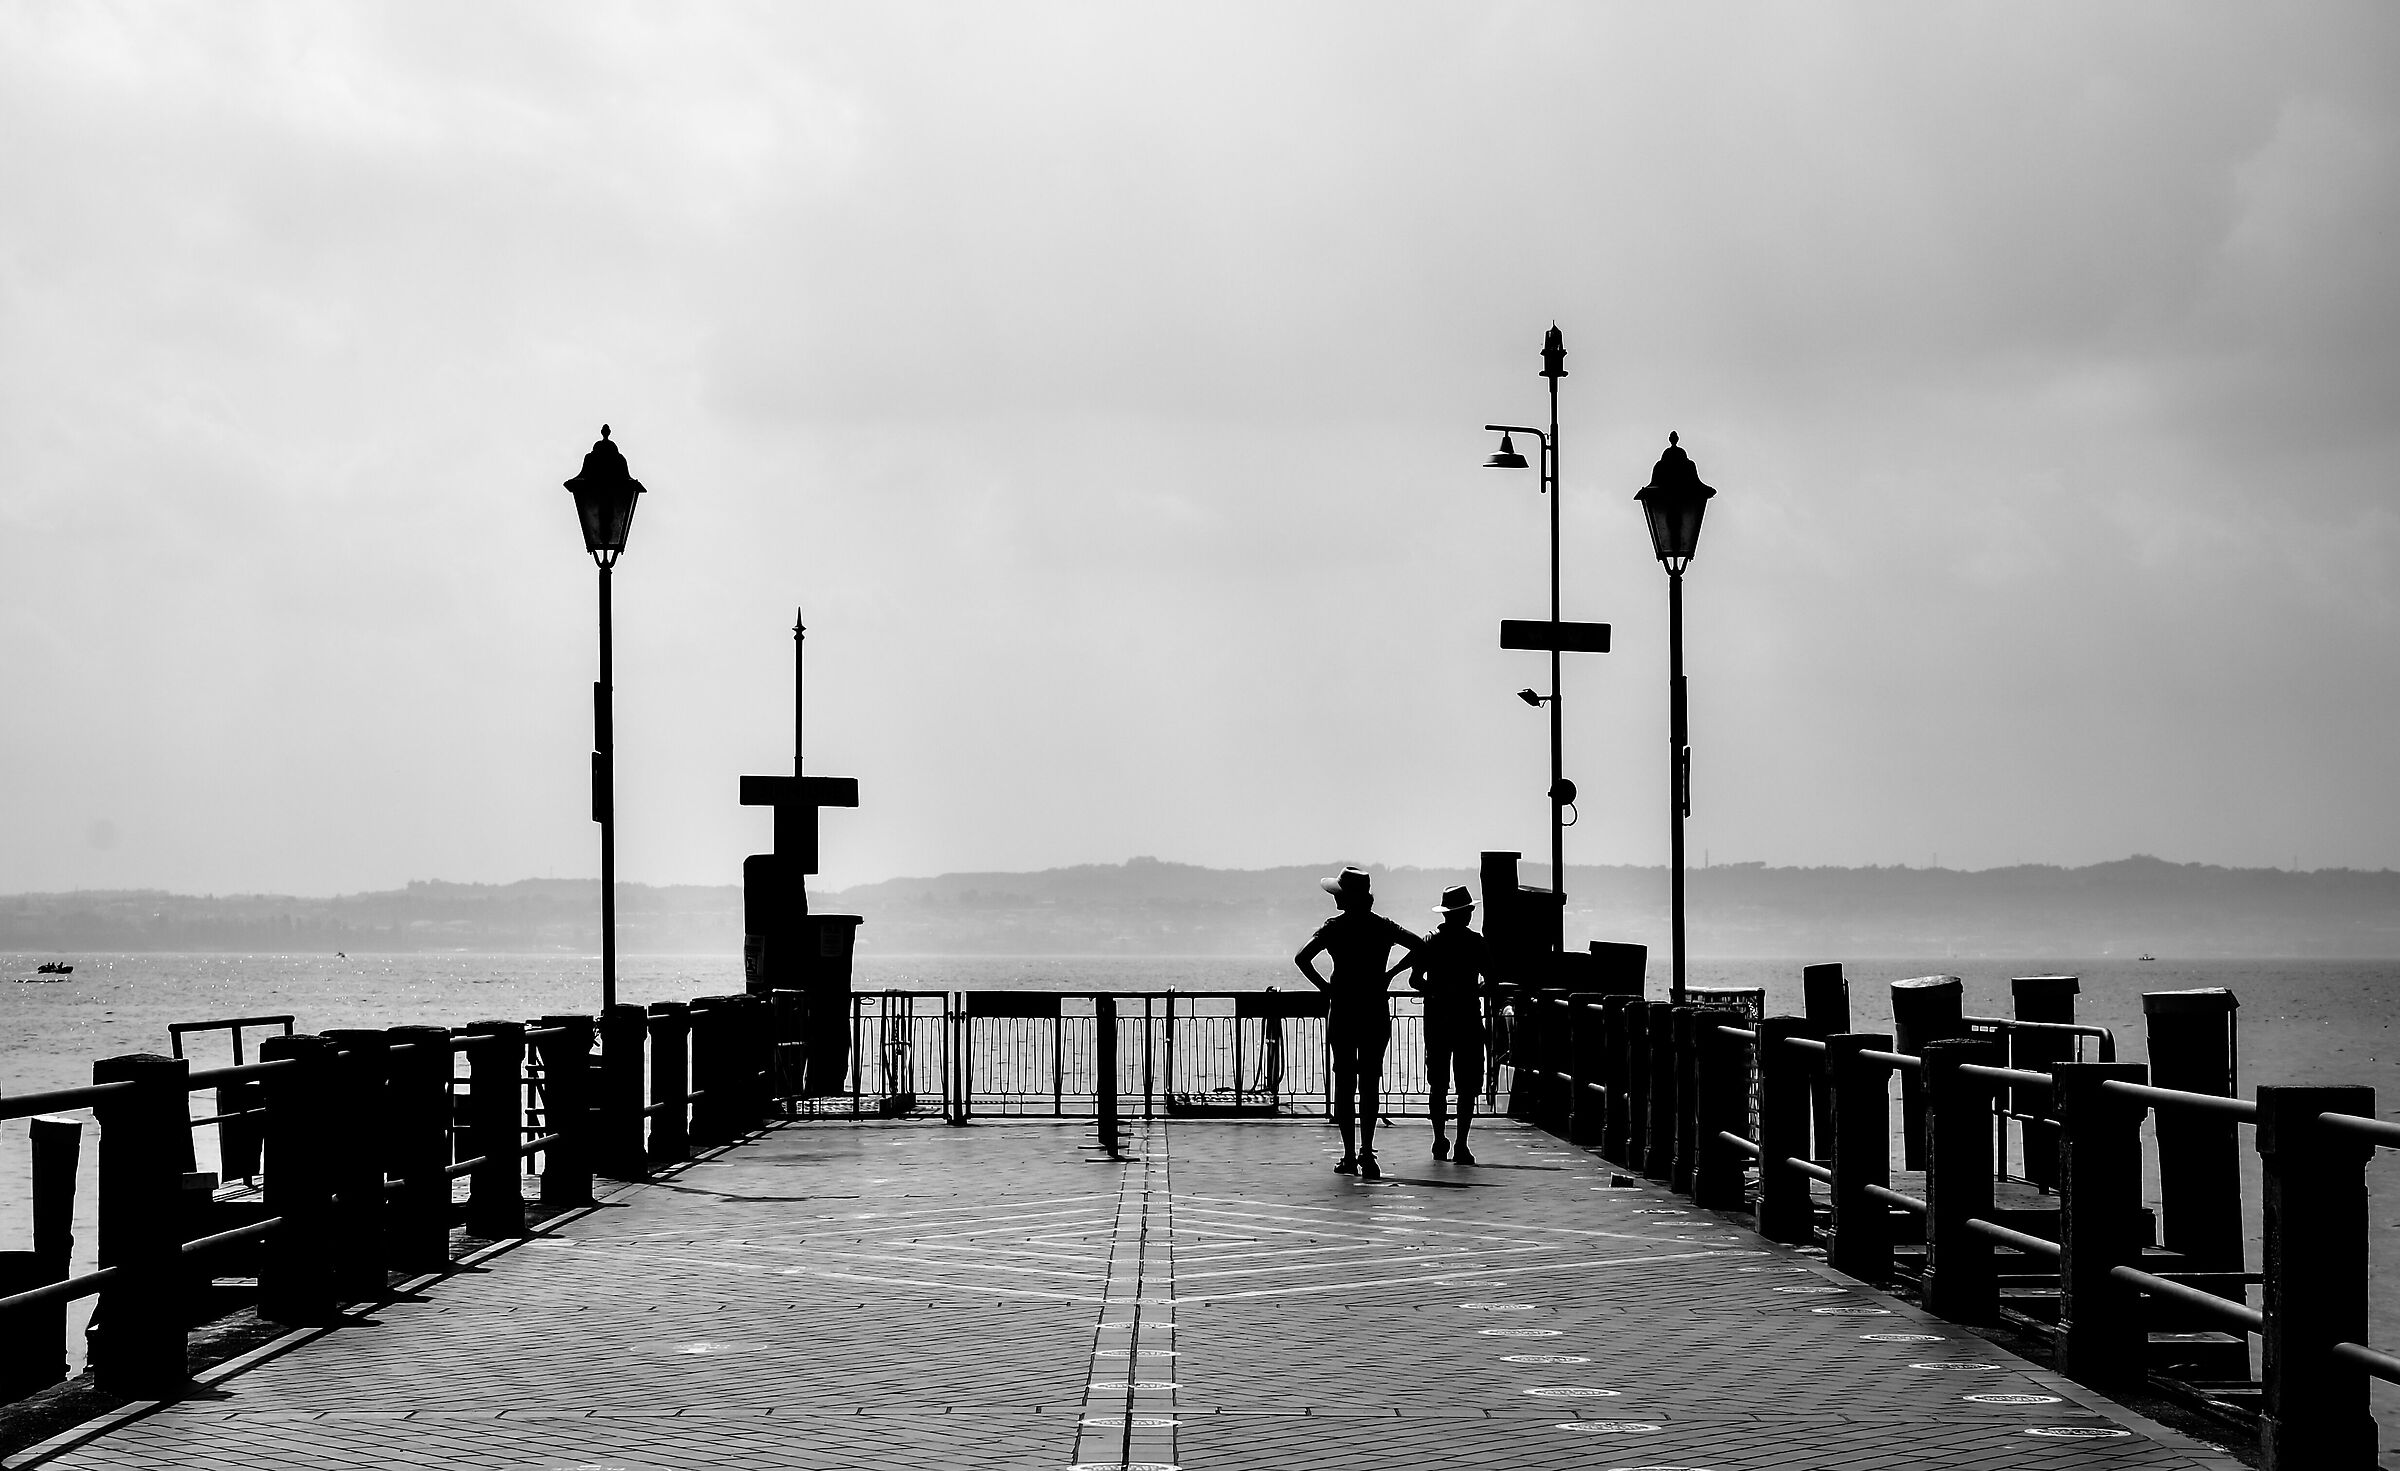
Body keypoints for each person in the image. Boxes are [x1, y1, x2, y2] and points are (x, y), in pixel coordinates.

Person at [1294, 866, 1422, 1179]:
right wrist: (1391, 974)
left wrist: (1327, 988)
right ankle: (1368, 1152)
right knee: (1370, 1083)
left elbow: (1302, 958)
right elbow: (1420, 945)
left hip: (1344, 1010)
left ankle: (1349, 1154)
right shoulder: (1383, 926)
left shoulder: (1334, 927)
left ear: (1347, 896)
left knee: (1345, 1083)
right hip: (1375, 1009)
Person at [1409, 885, 1491, 1164]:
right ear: (1466, 913)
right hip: (1468, 1018)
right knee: (1467, 1086)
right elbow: (1490, 979)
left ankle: (1438, 1139)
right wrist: (1474, 989)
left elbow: (1415, 980)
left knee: (1438, 1084)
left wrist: (1434, 993)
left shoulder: (1430, 941)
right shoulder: (1477, 943)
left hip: (1437, 1021)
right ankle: (1462, 1144)